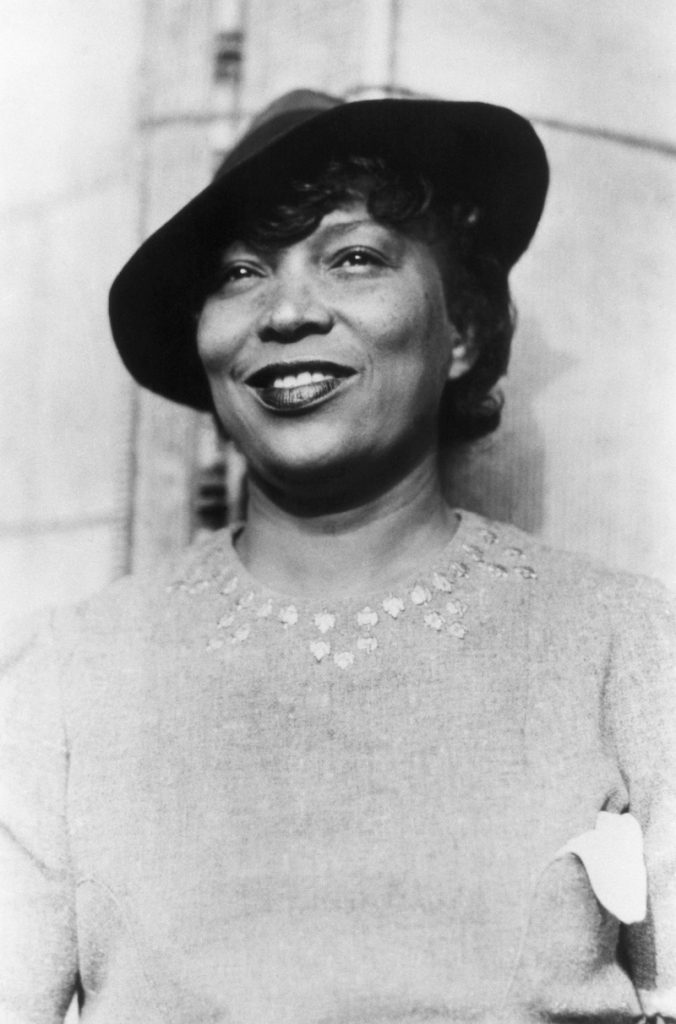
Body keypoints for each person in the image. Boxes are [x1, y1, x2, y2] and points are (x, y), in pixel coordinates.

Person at [1, 89, 674, 1024]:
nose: (285, 312)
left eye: (353, 258)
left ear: (463, 330)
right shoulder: (66, 680)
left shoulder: (626, 649)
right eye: (239, 274)